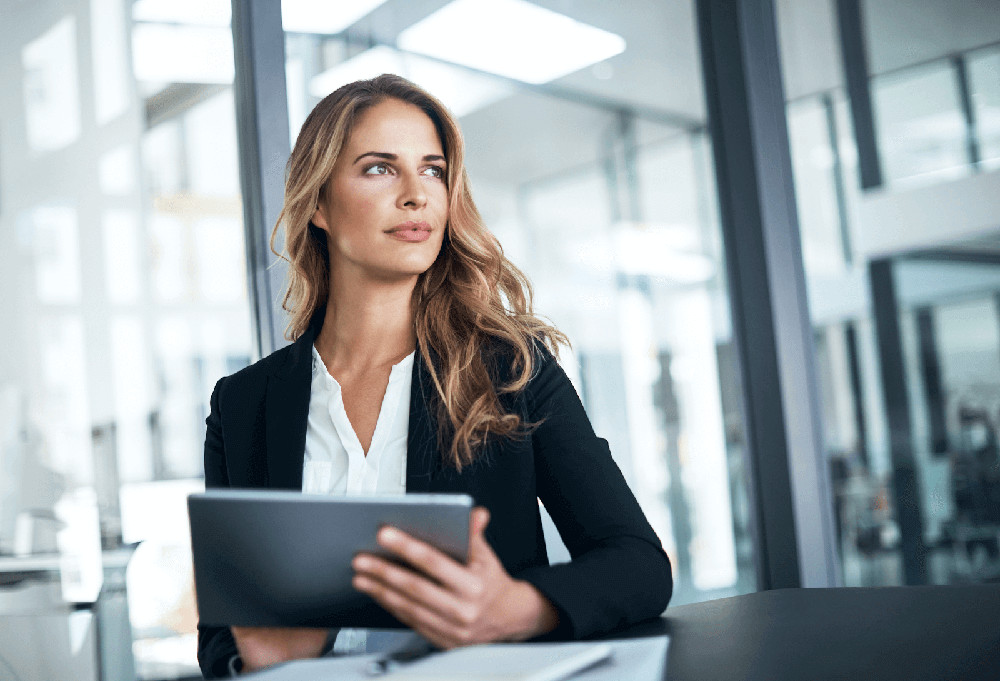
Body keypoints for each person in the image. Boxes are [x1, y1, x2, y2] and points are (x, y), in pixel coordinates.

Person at [197, 73, 672, 678]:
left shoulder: (511, 369)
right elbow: (219, 638)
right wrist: (255, 658)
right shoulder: (244, 406)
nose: (416, 194)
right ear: (317, 203)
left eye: (433, 170)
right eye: (379, 168)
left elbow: (638, 562)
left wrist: (517, 609)